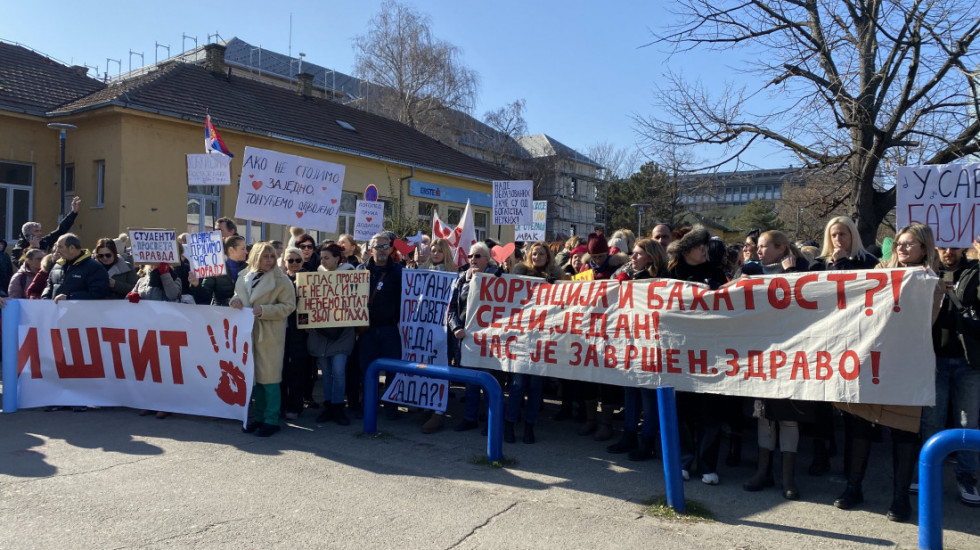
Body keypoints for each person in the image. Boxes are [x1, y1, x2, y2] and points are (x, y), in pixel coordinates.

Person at [835, 224, 940, 521]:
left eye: (910, 244)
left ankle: (899, 498)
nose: (903, 249)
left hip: (905, 366)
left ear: (924, 248)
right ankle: (853, 487)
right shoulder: (878, 273)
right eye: (900, 244)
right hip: (871, 362)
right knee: (860, 427)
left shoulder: (929, 281)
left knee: (904, 432)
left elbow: (925, 324)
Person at [741, 230, 811, 499]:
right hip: (761, 352)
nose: (758, 251)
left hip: (790, 354)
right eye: (757, 246)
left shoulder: (803, 269)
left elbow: (801, 303)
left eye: (764, 246)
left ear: (782, 249)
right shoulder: (750, 271)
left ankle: (788, 477)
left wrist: (791, 275)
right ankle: (763, 471)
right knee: (764, 416)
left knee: (787, 416)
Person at [919, 240, 980, 506]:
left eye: (954, 247)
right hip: (933, 360)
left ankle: (966, 476)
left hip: (968, 362)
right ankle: (926, 474)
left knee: (967, 423)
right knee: (931, 421)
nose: (948, 252)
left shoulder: (975, 271)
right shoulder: (924, 273)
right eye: (943, 247)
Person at [667, 226, 728, 484]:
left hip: (711, 351)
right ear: (686, 249)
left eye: (706, 245)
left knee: (710, 411)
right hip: (680, 350)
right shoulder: (670, 273)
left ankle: (707, 465)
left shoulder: (715, 272)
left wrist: (722, 291)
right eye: (700, 245)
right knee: (683, 410)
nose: (705, 249)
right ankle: (684, 461)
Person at [607, 238, 668, 459]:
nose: (633, 257)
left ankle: (647, 440)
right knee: (630, 390)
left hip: (651, 345)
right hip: (629, 341)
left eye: (638, 254)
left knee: (647, 394)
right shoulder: (626, 272)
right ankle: (629, 434)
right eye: (633, 253)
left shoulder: (662, 278)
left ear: (651, 257)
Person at [232, 242, 297, 437]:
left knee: (270, 379)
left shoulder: (281, 279)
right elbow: (239, 295)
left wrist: (265, 311)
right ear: (255, 257)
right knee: (255, 379)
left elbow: (289, 305)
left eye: (271, 257)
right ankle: (258, 417)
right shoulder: (244, 275)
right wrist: (234, 301)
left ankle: (271, 419)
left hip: (269, 333)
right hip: (247, 332)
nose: (269, 261)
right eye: (264, 257)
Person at [505, 241, 564, 444]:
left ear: (548, 257)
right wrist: (499, 279)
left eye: (542, 253)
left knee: (536, 387)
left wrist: (555, 285)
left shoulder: (557, 278)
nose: (538, 257)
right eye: (535, 253)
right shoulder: (520, 275)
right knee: (518, 384)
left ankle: (530, 426)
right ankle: (510, 423)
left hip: (543, 339)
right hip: (522, 338)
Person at [451, 242, 500, 432]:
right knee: (471, 382)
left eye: (477, 256)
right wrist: (456, 327)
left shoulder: (498, 277)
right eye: (470, 256)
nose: (473, 259)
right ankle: (470, 417)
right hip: (467, 338)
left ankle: (491, 421)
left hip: (488, 339)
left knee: (489, 381)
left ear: (487, 259)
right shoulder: (462, 279)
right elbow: (452, 309)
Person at [358, 232, 404, 420]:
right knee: (367, 370)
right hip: (366, 329)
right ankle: (368, 406)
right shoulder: (360, 271)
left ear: (392, 248)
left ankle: (391, 407)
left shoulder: (399, 272)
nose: (382, 250)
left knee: (392, 370)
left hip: (389, 329)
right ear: (371, 249)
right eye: (378, 246)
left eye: (385, 246)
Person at [308, 243, 356, 426]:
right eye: (321, 258)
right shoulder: (316, 277)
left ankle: (338, 406)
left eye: (327, 257)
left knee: (338, 370)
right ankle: (329, 406)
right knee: (326, 372)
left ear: (337, 258)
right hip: (321, 332)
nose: (323, 261)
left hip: (343, 332)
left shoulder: (351, 275)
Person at [280, 247, 311, 420]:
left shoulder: (311, 280)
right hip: (282, 330)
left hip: (301, 332)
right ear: (284, 262)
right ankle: (282, 405)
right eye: (290, 260)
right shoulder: (279, 279)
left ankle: (295, 406)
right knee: (282, 371)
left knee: (298, 372)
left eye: (297, 260)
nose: (294, 264)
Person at [41, 233, 109, 302]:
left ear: (72, 248)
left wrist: (69, 298)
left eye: (60, 247)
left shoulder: (94, 267)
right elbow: (49, 287)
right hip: (56, 311)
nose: (57, 251)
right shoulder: (57, 266)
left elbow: (98, 293)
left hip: (81, 312)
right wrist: (45, 299)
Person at [12, 195, 81, 261]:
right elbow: (23, 264)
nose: (40, 233)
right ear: (26, 234)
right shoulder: (18, 249)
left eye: (40, 231)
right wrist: (34, 248)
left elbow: (61, 230)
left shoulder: (45, 241)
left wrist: (73, 212)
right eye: (36, 231)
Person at [190, 235, 248, 306]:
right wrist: (196, 285)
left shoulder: (249, 268)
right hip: (221, 311)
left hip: (244, 312)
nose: (246, 252)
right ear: (231, 250)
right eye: (243, 249)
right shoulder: (216, 268)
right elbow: (205, 298)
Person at [810, 216, 879, 271]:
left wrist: (841, 261)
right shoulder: (819, 264)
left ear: (852, 235)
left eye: (842, 234)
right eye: (833, 235)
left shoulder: (869, 261)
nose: (837, 239)